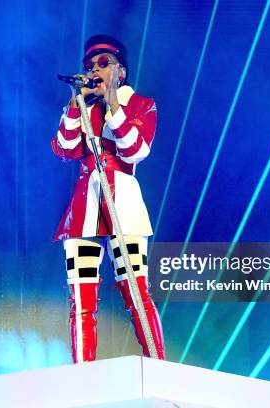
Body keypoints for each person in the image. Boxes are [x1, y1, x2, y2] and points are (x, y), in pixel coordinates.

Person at [51, 34, 165, 363]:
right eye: (90, 65)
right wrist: (76, 104)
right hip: (84, 204)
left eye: (103, 64)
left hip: (123, 201)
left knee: (135, 291)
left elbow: (135, 149)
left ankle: (158, 366)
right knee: (81, 298)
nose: (94, 70)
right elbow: (64, 149)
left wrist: (113, 103)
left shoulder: (141, 104)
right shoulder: (82, 108)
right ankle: (83, 376)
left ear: (121, 71)